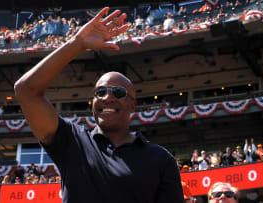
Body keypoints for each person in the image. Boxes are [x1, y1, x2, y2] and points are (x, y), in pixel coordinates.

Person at [14, 7, 183, 203]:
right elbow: (25, 90)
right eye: (100, 92)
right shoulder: (72, 141)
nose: (107, 97)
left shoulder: (160, 159)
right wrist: (76, 44)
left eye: (118, 93)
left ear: (132, 105)